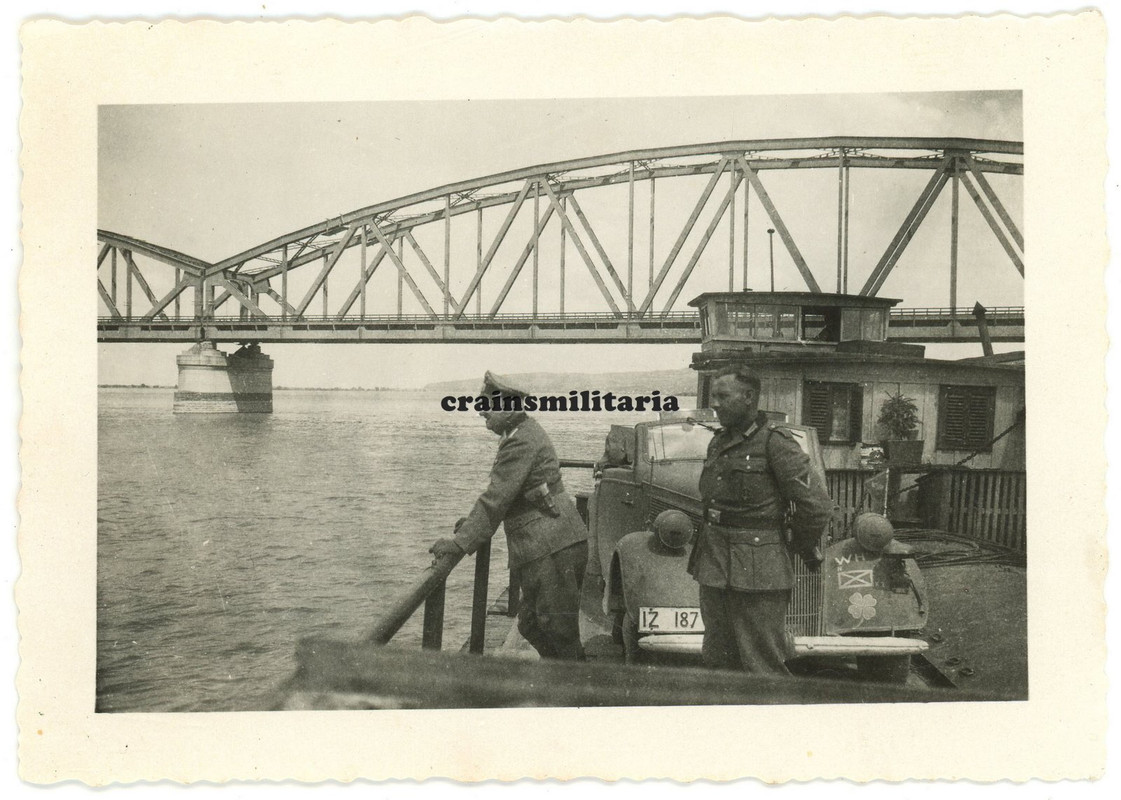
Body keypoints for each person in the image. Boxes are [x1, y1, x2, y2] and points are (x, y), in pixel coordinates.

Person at [429, 371, 589, 660]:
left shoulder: (521, 442)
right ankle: (561, 676)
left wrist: (459, 543)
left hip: (551, 547)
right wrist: (471, 525)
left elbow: (496, 499)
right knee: (531, 624)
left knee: (560, 634)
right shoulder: (521, 434)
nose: (481, 412)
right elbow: (510, 496)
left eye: (487, 406)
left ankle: (574, 685)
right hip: (549, 544)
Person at [687, 366, 833, 674]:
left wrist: (793, 544)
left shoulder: (775, 442)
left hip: (758, 570)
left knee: (762, 664)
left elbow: (816, 506)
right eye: (713, 396)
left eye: (723, 396)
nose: (715, 404)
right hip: (714, 565)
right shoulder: (719, 441)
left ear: (748, 397)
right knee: (717, 660)